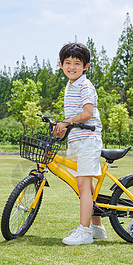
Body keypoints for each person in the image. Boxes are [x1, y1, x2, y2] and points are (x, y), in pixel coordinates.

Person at [53, 42, 106, 245]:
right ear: (60, 64)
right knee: (87, 186)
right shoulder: (70, 86)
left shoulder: (85, 85)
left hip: (88, 140)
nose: (72, 67)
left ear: (86, 66)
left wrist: (66, 122)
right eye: (68, 63)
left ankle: (84, 232)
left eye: (77, 63)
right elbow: (75, 117)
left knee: (83, 185)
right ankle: (97, 227)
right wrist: (62, 127)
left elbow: (87, 113)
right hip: (78, 140)